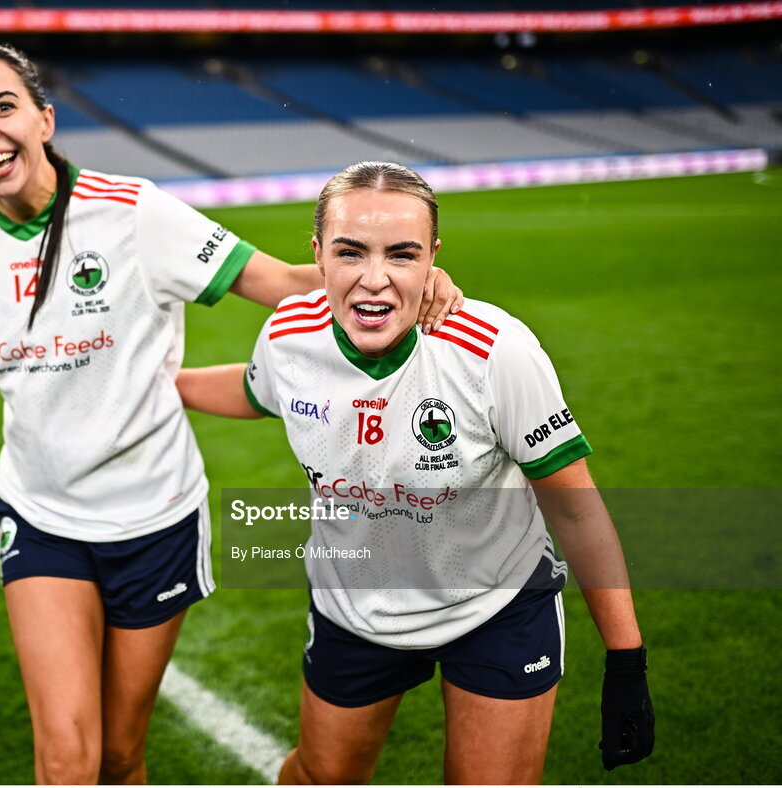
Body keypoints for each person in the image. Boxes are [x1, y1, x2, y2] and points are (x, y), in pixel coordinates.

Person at [0, 46, 463, 785]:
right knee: (67, 761)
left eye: (2, 106)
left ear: (43, 119)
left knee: (118, 756)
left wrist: (402, 276)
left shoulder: (132, 212)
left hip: (156, 518)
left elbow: (284, 283)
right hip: (43, 519)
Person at [176, 161, 655, 784]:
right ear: (318, 255)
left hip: (497, 604)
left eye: (401, 255)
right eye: (351, 252)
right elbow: (253, 390)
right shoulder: (289, 337)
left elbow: (575, 509)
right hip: (356, 607)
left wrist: (626, 659)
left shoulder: (492, 351)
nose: (374, 280)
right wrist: (161, 384)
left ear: (432, 257)